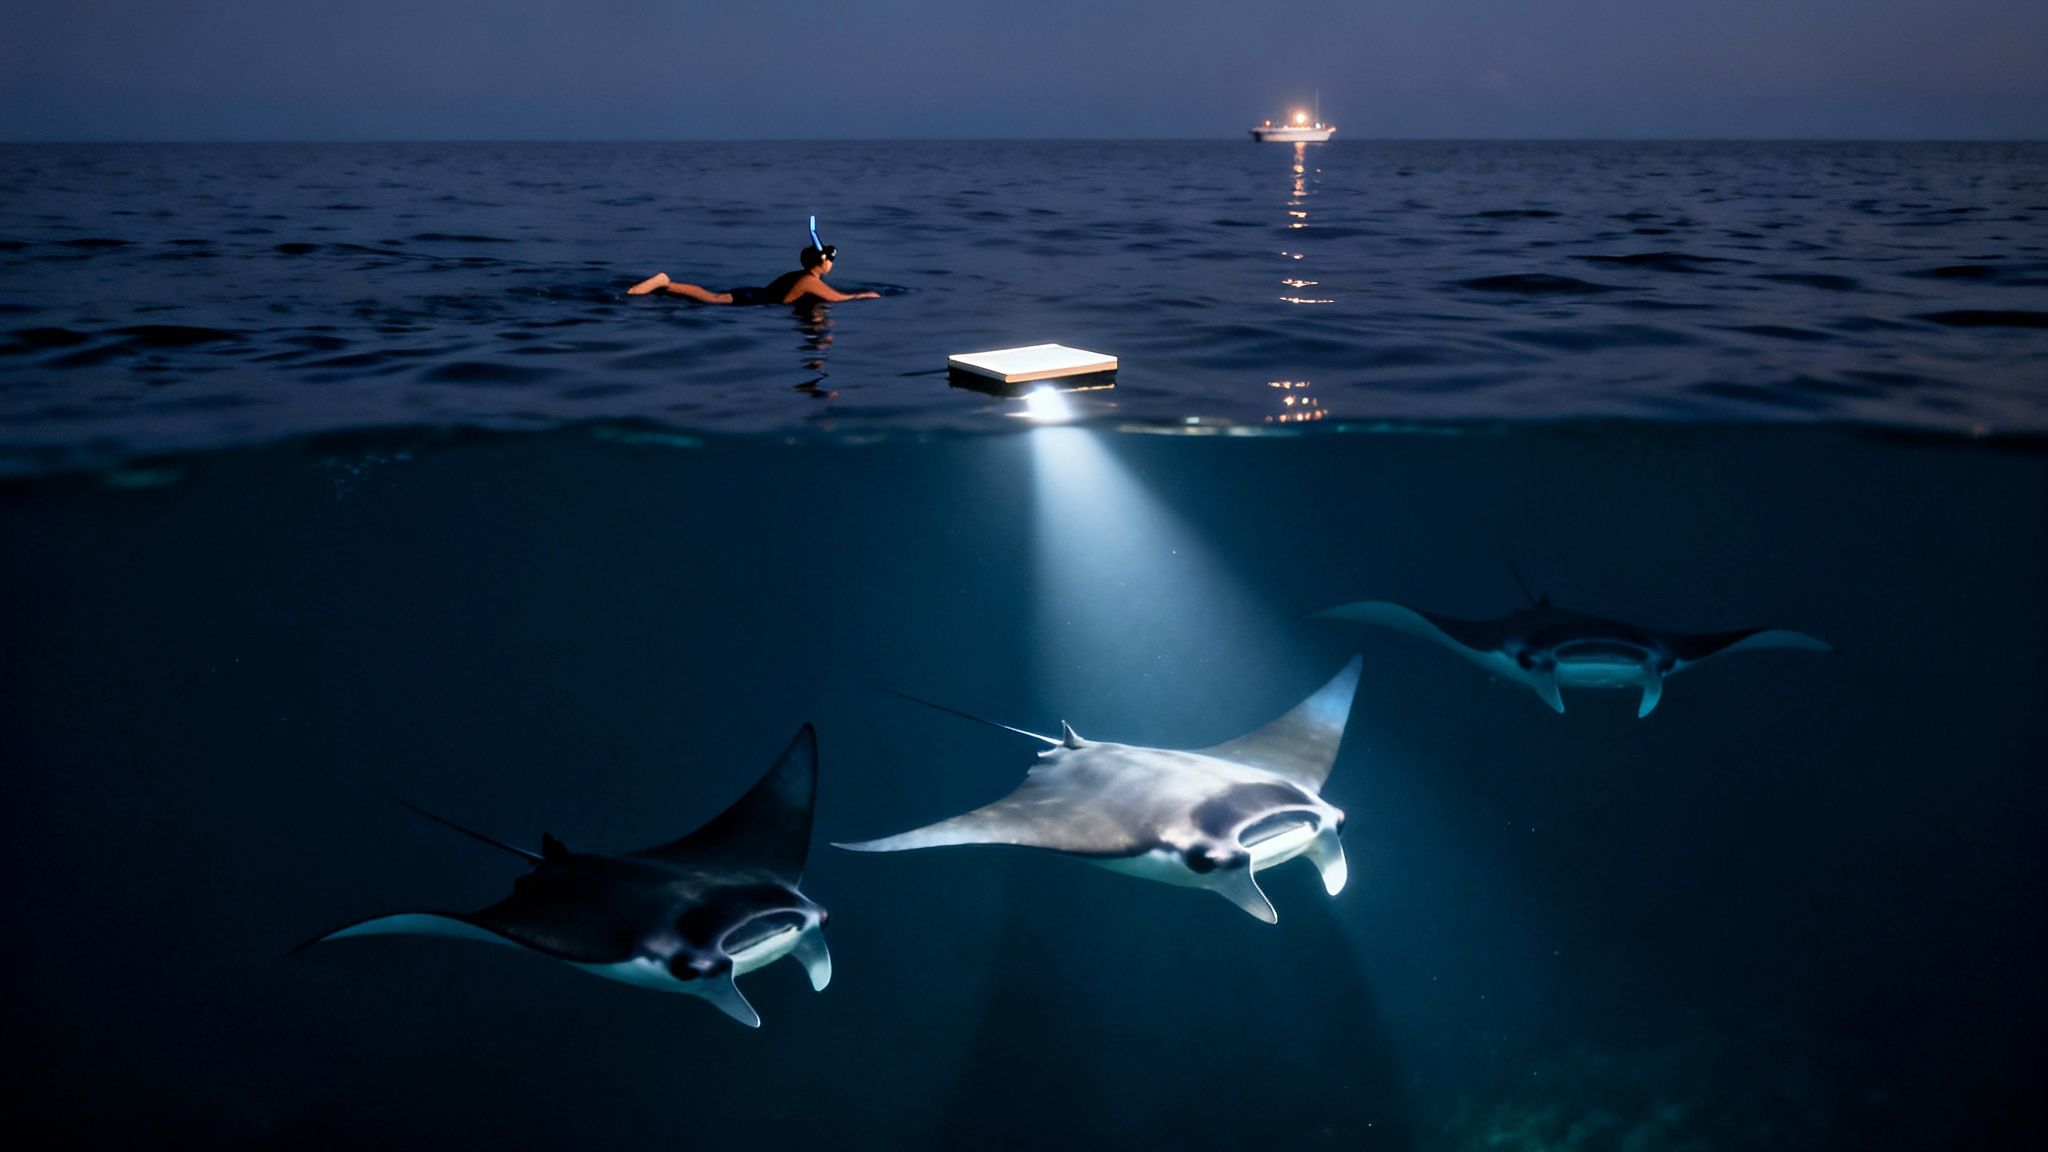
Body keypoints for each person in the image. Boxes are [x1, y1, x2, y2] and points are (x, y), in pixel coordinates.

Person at [627, 244, 880, 304]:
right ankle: (664, 283)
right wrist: (864, 295)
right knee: (713, 300)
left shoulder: (800, 275)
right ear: (823, 263)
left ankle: (666, 284)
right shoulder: (808, 281)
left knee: (712, 296)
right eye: (830, 259)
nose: (832, 264)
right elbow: (837, 298)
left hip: (754, 292)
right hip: (756, 300)